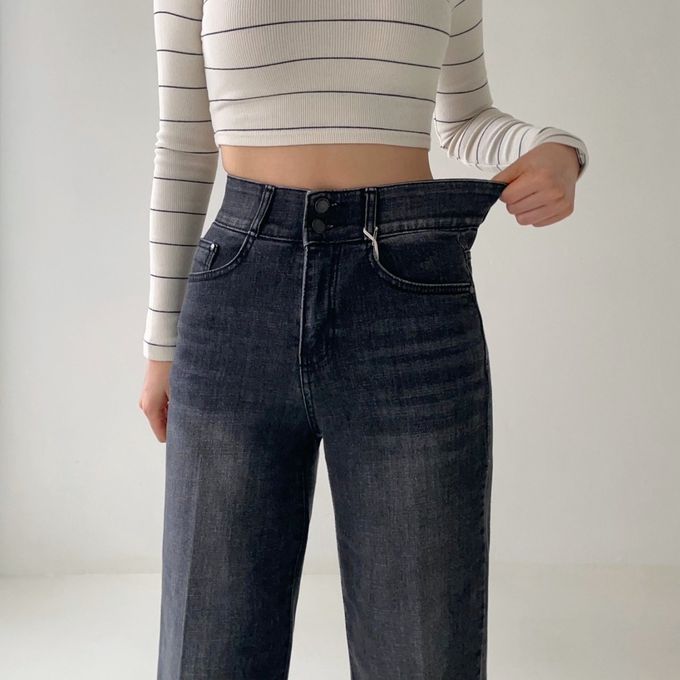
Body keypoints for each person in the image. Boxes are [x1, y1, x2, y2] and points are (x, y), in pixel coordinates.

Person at [138, 1, 588, 678]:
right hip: (237, 298)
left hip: (406, 298)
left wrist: (557, 149)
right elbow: (184, 142)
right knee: (209, 648)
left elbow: (464, 117)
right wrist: (160, 346)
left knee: (421, 648)